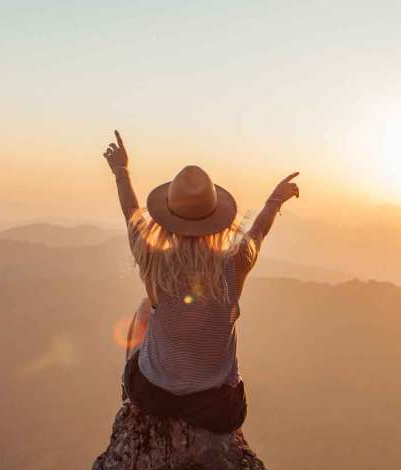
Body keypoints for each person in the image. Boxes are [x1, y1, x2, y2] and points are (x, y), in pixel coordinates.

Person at [102, 130, 300, 433]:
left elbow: (131, 215)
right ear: (217, 217)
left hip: (152, 395)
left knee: (145, 308)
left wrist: (121, 171)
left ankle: (127, 398)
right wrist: (274, 200)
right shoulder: (236, 261)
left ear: (167, 217)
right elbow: (259, 230)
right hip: (216, 408)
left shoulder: (154, 261)